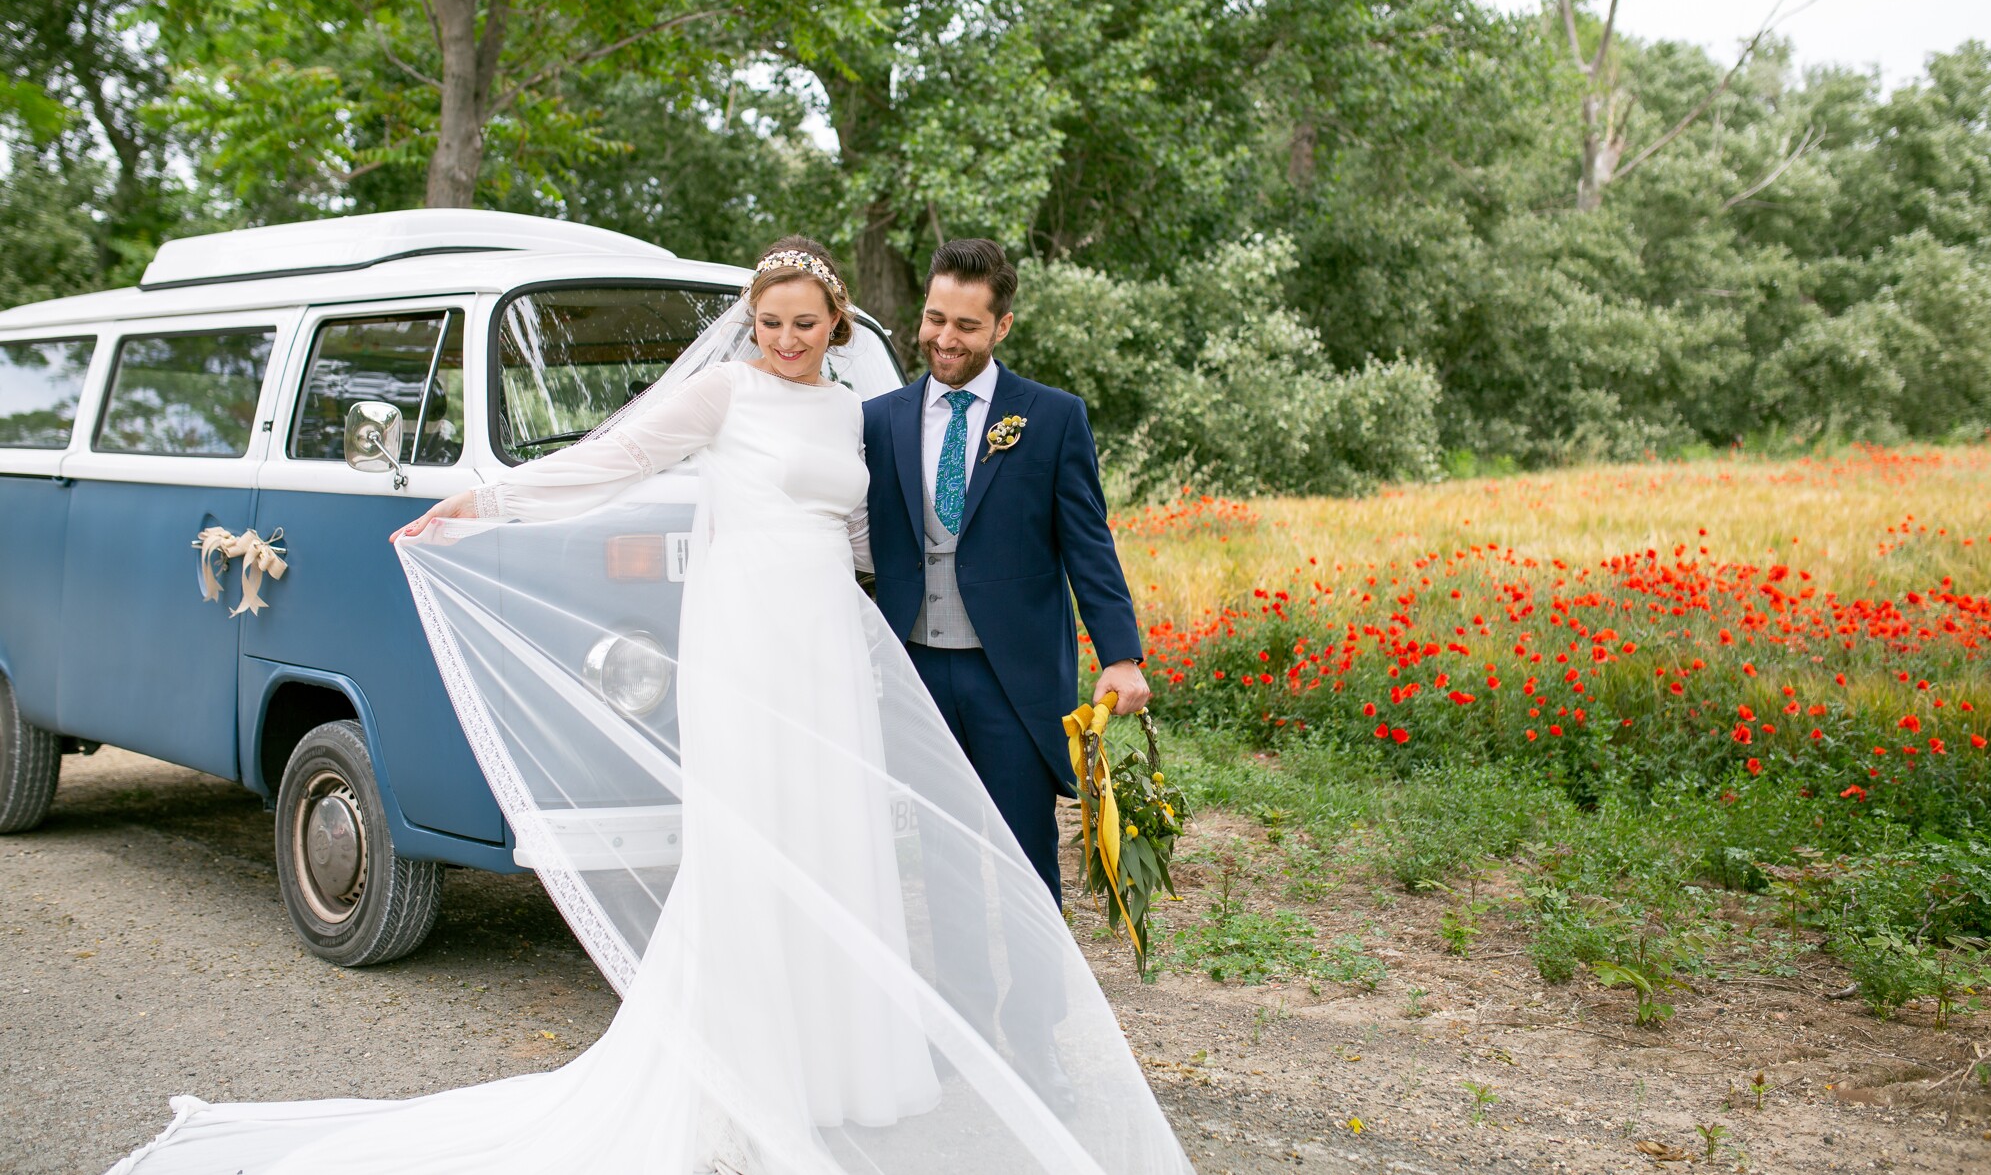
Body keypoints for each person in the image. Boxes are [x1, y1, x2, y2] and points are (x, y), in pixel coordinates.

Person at [106, 238, 1192, 1175]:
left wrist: (1110, 647)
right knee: (753, 843)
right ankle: (748, 1071)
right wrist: (490, 502)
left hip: (833, 642)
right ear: (753, 322)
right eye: (766, 321)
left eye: (803, 322)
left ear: (839, 324)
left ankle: (865, 1061)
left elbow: (870, 536)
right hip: (749, 642)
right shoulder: (727, 393)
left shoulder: (860, 410)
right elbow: (615, 457)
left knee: (837, 844)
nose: (783, 338)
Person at [859, 239, 1148, 1106]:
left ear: (1003, 324)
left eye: (966, 324)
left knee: (1025, 866)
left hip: (1011, 681)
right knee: (941, 862)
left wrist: (1121, 652)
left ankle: (1036, 1038)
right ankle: (958, 1029)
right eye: (935, 318)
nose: (945, 337)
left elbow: (1086, 542)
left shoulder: (1052, 416)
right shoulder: (877, 417)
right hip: (915, 676)